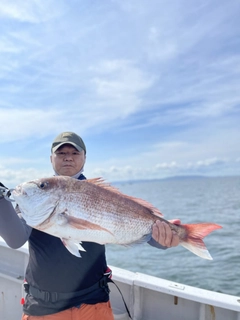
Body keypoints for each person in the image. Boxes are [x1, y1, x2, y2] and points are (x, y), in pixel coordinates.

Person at [0, 131, 180, 320]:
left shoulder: (101, 193)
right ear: (51, 158)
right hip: (43, 307)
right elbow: (16, 239)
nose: (68, 158)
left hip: (94, 304)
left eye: (75, 153)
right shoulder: (35, 193)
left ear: (84, 157)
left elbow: (140, 230)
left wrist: (166, 239)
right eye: (61, 153)